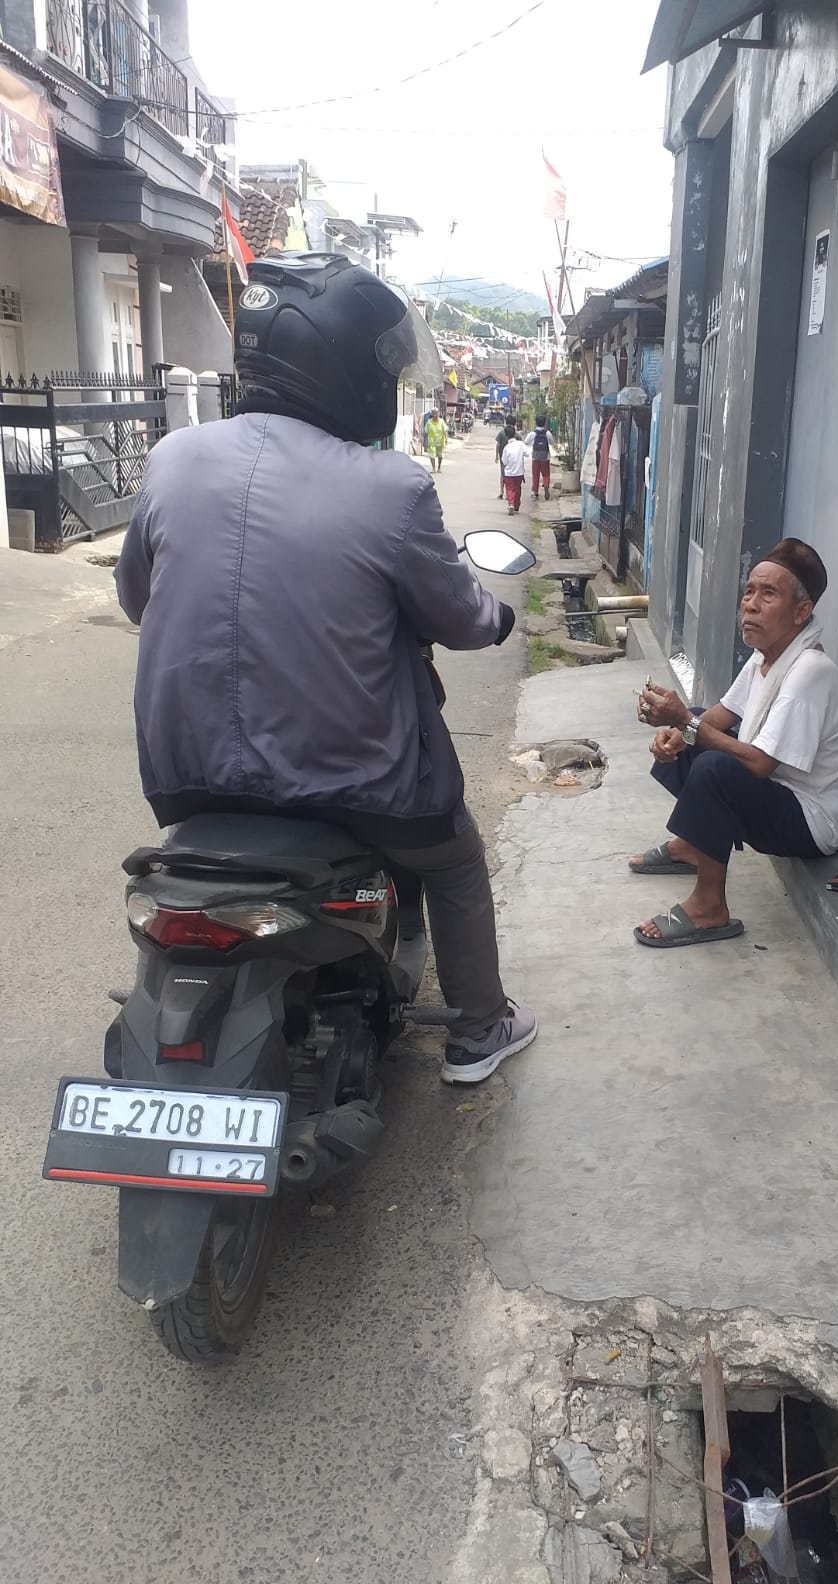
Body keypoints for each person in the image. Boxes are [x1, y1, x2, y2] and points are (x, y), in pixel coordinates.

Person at [113, 252, 537, 1085]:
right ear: (345, 365)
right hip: (357, 783)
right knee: (454, 862)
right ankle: (478, 1031)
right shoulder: (390, 487)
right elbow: (460, 617)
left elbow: (137, 597)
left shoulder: (173, 458)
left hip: (187, 778)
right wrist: (499, 620)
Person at [629, 539, 838, 949]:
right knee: (697, 729)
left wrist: (685, 721)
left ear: (801, 612)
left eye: (768, 594)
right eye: (749, 591)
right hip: (777, 793)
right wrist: (676, 730)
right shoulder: (765, 656)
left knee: (714, 765)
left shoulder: (810, 670)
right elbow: (720, 715)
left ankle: (709, 907)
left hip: (810, 822)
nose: (750, 604)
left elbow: (761, 764)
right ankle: (694, 845)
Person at [525, 413, 553, 502]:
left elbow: (526, 442)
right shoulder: (547, 433)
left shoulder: (532, 434)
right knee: (546, 474)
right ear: (544, 423)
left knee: (535, 475)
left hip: (535, 457)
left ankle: (535, 492)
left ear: (536, 423)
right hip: (545, 457)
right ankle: (546, 485)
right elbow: (552, 442)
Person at [500, 423, 527, 515]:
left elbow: (504, 461)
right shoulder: (520, 444)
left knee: (510, 489)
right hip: (519, 472)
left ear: (506, 436)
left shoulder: (506, 447)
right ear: (515, 433)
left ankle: (511, 503)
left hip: (509, 473)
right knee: (518, 488)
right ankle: (516, 506)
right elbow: (527, 453)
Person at [495, 412, 512, 499]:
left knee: (503, 475)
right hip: (513, 458)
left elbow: (498, 445)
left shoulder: (501, 433)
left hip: (503, 457)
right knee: (511, 475)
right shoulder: (515, 434)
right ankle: (509, 493)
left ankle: (502, 492)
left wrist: (496, 456)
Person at [426, 408, 447, 472]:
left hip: (440, 441)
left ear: (438, 414)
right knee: (432, 455)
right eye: (433, 413)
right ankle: (433, 468)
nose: (435, 415)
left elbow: (445, 430)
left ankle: (439, 467)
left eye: (436, 413)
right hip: (432, 441)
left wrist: (446, 439)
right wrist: (424, 440)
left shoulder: (441, 421)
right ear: (432, 414)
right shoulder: (429, 422)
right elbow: (426, 431)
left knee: (440, 455)